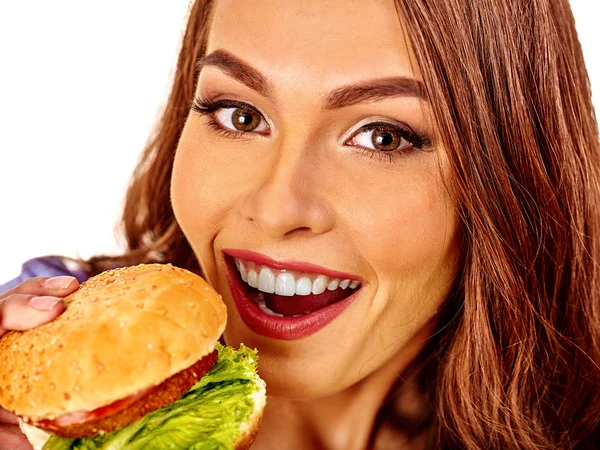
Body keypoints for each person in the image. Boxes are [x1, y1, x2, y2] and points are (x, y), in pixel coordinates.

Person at [1, 0, 599, 448]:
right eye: (239, 114)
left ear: (510, 174)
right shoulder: (39, 349)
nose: (278, 208)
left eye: (382, 137)